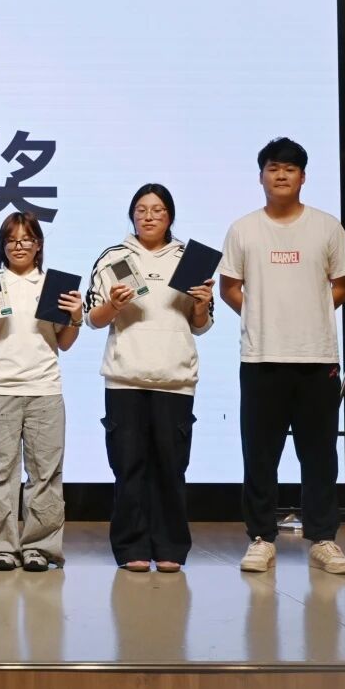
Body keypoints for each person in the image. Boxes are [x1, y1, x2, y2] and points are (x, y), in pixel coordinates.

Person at [218, 138, 345, 575]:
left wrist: (309, 313)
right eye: (273, 168)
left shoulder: (326, 227)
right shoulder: (243, 229)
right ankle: (261, 538)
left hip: (317, 358)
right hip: (261, 358)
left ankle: (324, 538)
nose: (281, 175)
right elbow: (229, 287)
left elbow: (344, 283)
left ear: (303, 177)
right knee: (260, 454)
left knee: (319, 454)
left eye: (290, 169)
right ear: (261, 176)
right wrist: (262, 316)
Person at [84, 184, 213, 573]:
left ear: (170, 216)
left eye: (157, 210)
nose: (149, 216)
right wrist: (113, 305)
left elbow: (201, 324)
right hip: (125, 378)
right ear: (132, 215)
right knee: (128, 468)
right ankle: (131, 547)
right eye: (141, 210)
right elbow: (92, 319)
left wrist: (203, 304)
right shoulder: (113, 258)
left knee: (172, 469)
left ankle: (171, 546)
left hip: (175, 379)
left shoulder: (190, 258)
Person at [0, 211, 83, 573]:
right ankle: (0, 547)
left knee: (45, 474)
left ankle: (40, 547)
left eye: (26, 239)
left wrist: (76, 316)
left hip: (44, 388)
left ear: (38, 245)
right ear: (2, 246)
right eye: (11, 240)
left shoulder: (54, 285)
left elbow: (64, 342)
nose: (19, 246)